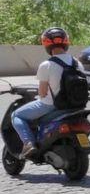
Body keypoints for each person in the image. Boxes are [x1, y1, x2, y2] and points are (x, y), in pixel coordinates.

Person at [12, 27, 77, 158]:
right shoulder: (76, 63)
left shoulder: (46, 65)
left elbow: (42, 93)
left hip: (52, 105)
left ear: (46, 45)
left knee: (16, 115)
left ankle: (29, 143)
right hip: (75, 105)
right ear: (66, 43)